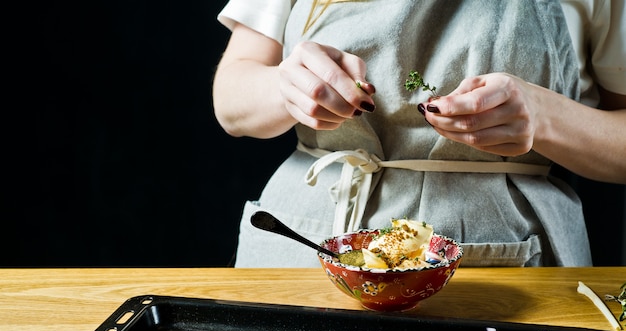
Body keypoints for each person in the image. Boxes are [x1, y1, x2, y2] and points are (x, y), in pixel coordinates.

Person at [212, 0, 626, 268]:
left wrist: (544, 116)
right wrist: (286, 88)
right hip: (303, 248)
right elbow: (231, 102)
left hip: (510, 262)